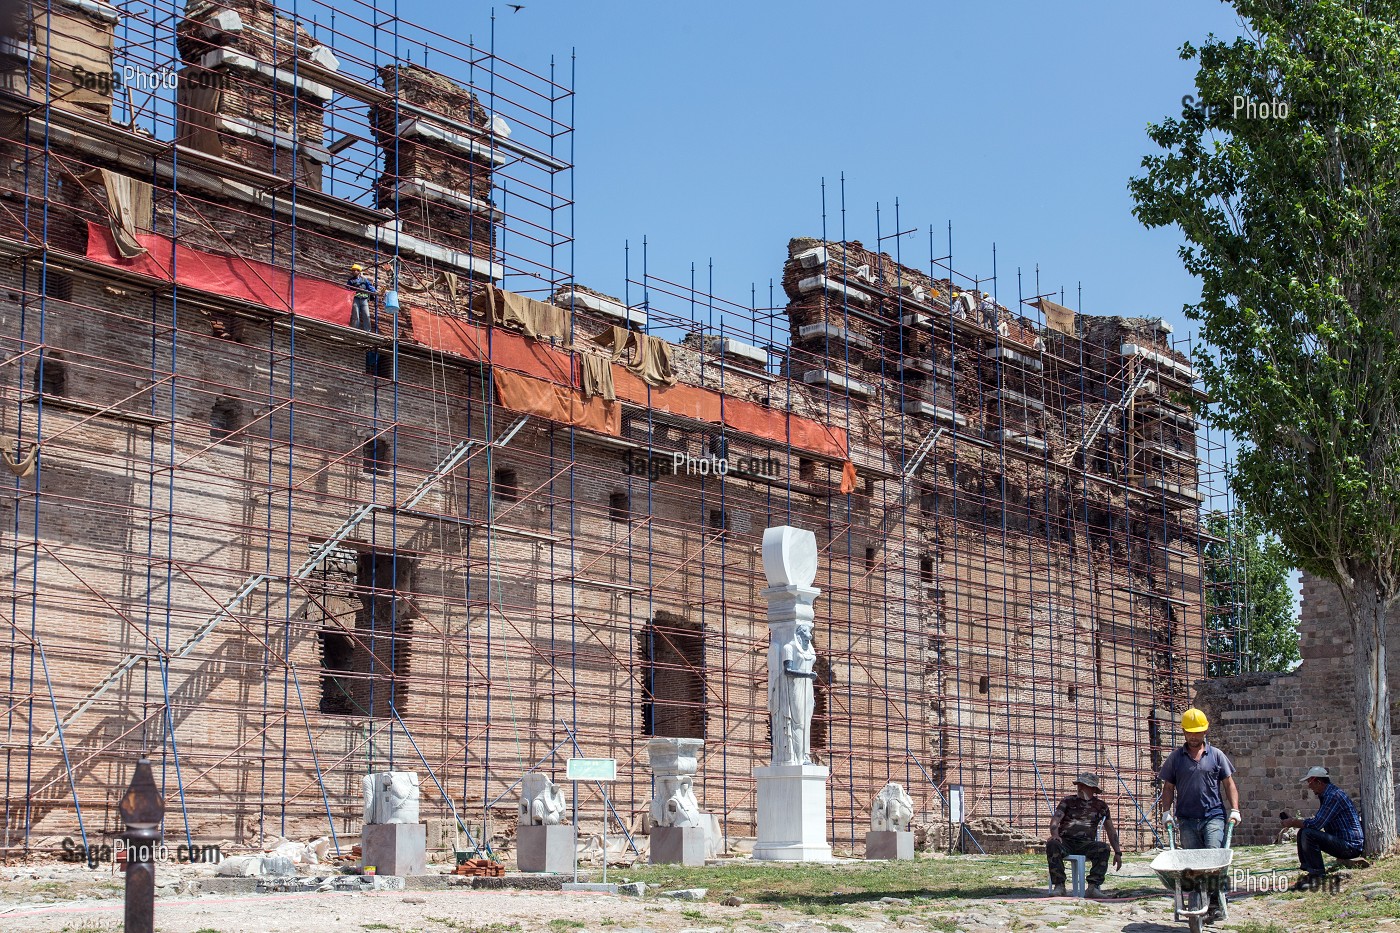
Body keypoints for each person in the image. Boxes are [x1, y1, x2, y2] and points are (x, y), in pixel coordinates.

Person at [1159, 707, 1240, 925]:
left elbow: (1229, 783)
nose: (1194, 736)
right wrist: (1166, 813)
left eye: (1198, 732)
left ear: (1205, 731)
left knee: (1214, 859)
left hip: (1213, 816)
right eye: (1190, 732)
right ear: (1184, 732)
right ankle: (1197, 900)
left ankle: (1214, 903)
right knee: (1192, 865)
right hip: (1186, 819)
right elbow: (1168, 787)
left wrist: (1235, 809)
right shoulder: (1176, 758)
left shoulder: (1216, 756)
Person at [1281, 766, 1364, 889]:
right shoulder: (1328, 794)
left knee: (1308, 833)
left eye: (1310, 782)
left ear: (1319, 782)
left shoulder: (1333, 796)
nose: (1309, 786)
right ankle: (1309, 869)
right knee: (1304, 831)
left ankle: (1317, 874)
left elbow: (1317, 824)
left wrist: (1293, 822)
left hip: (1350, 846)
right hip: (1343, 842)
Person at [1046, 772, 1122, 899]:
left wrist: (1118, 853)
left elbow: (1110, 830)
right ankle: (1059, 885)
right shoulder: (1068, 801)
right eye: (1079, 785)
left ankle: (1093, 887)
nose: (1079, 787)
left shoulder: (1101, 806)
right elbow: (1055, 820)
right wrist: (1055, 834)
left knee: (1103, 848)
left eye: (1083, 785)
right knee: (1053, 844)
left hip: (1086, 844)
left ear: (1092, 788)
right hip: (1066, 842)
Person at [347, 263, 377, 331]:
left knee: (366, 315)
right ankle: (354, 330)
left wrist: (376, 292)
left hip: (364, 299)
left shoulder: (364, 280)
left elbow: (370, 287)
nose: (353, 272)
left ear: (358, 271)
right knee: (355, 315)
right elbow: (348, 289)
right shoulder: (350, 281)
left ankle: (368, 331)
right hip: (355, 299)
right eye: (353, 270)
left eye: (355, 270)